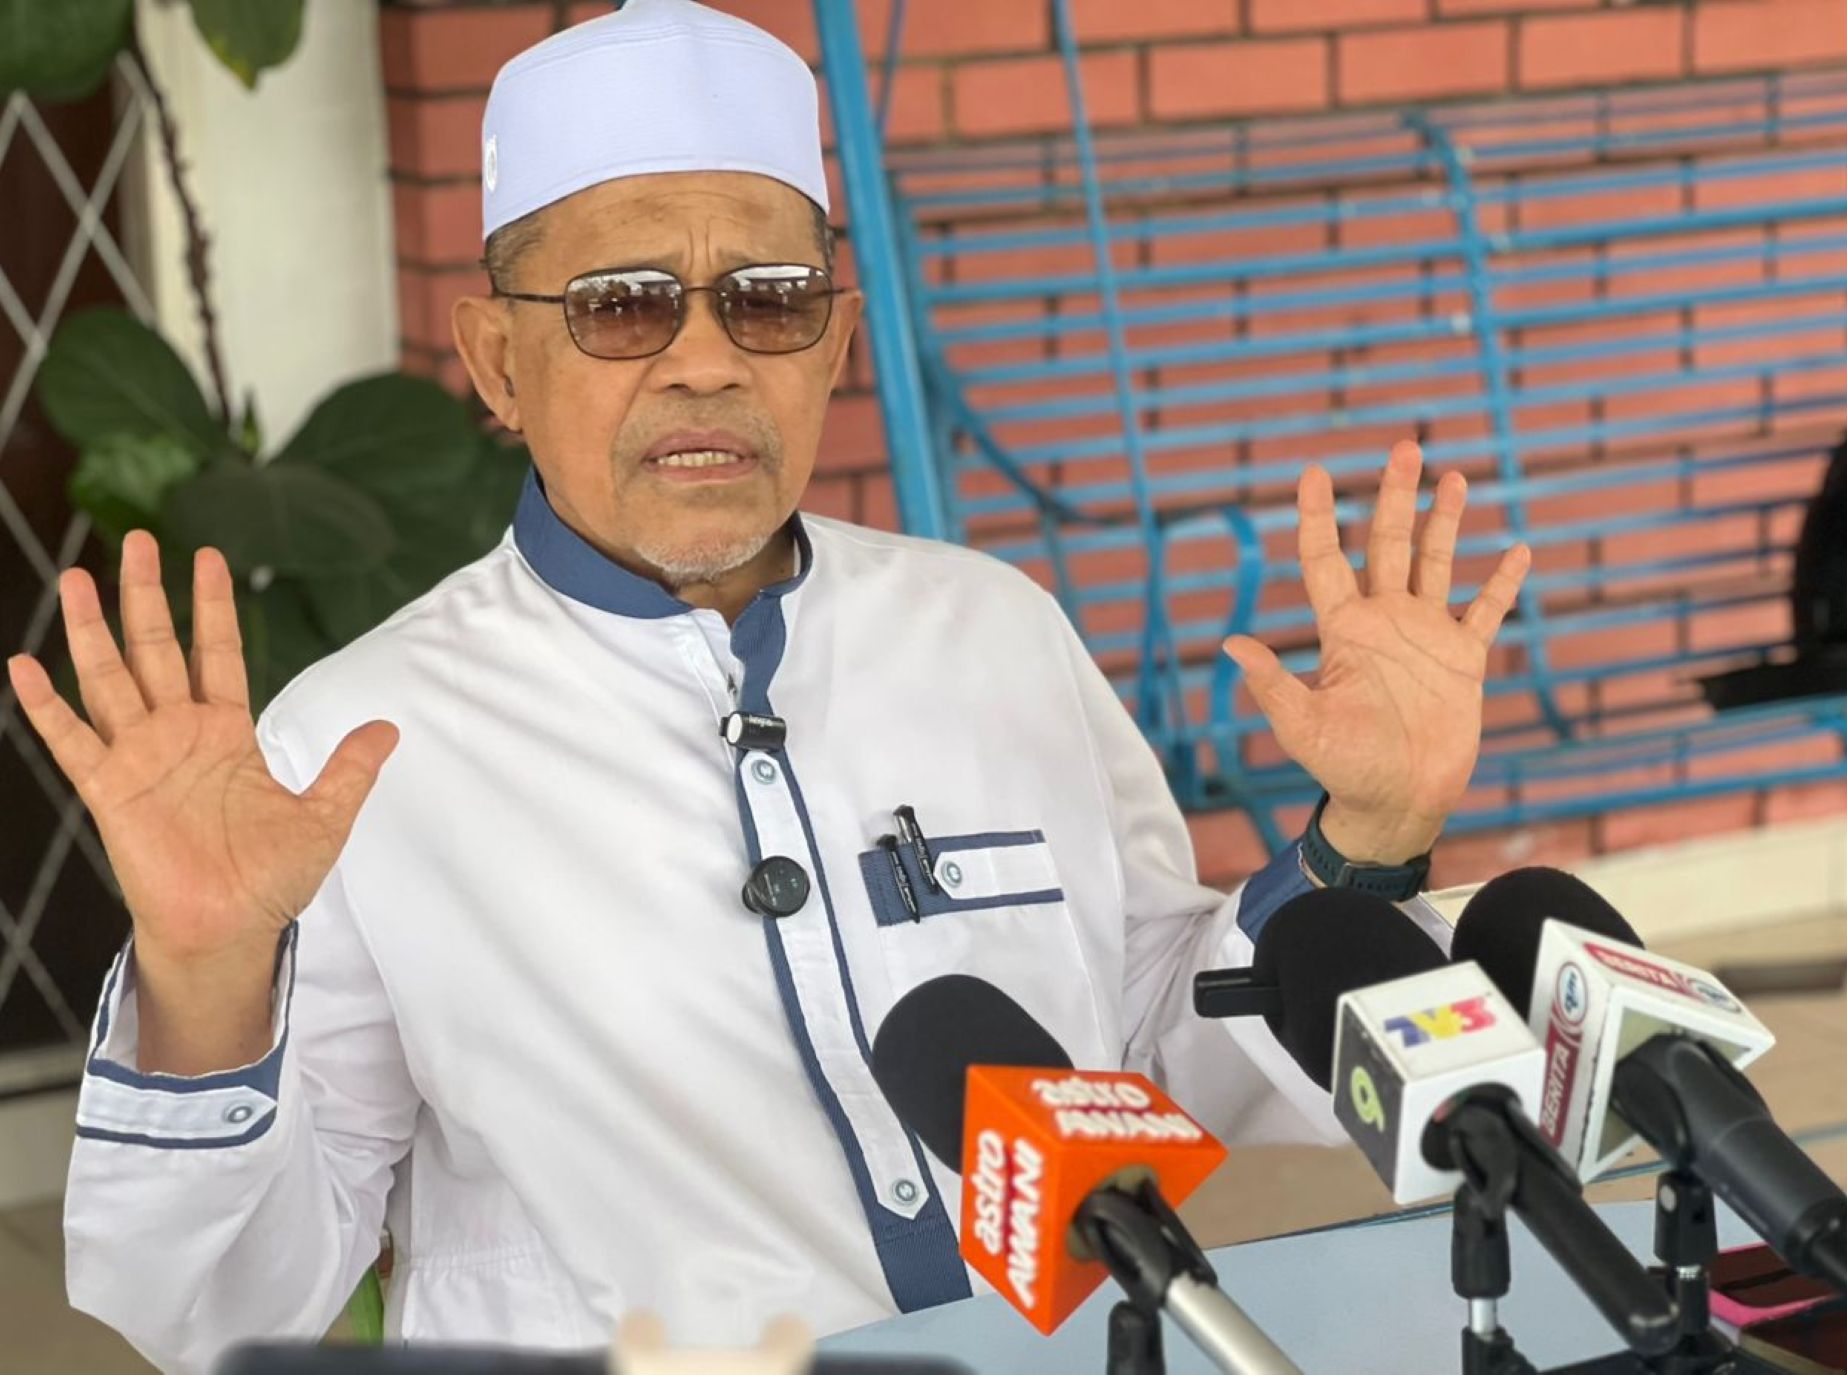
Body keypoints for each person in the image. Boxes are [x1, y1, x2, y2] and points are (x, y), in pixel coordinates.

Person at [5, 2, 1530, 1371]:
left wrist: (1366, 842)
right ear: (497, 360)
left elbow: (1150, 1057)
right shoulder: (359, 741)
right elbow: (219, 1305)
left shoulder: (995, 634)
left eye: (769, 297)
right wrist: (206, 982)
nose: (705, 361)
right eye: (620, 303)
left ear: (834, 341)